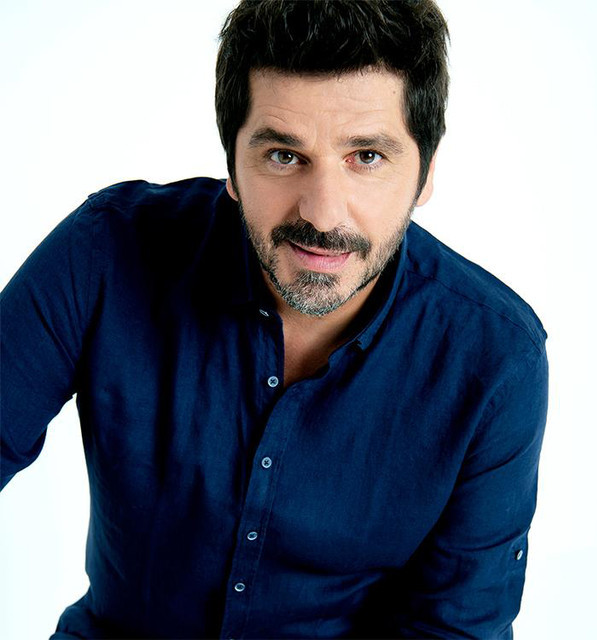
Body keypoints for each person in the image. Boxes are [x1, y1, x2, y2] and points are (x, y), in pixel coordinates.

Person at [0, 0, 548, 638]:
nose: (322, 214)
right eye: (285, 156)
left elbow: (453, 629)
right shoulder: (104, 251)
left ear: (424, 171)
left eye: (367, 156)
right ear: (232, 164)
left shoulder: (495, 359)